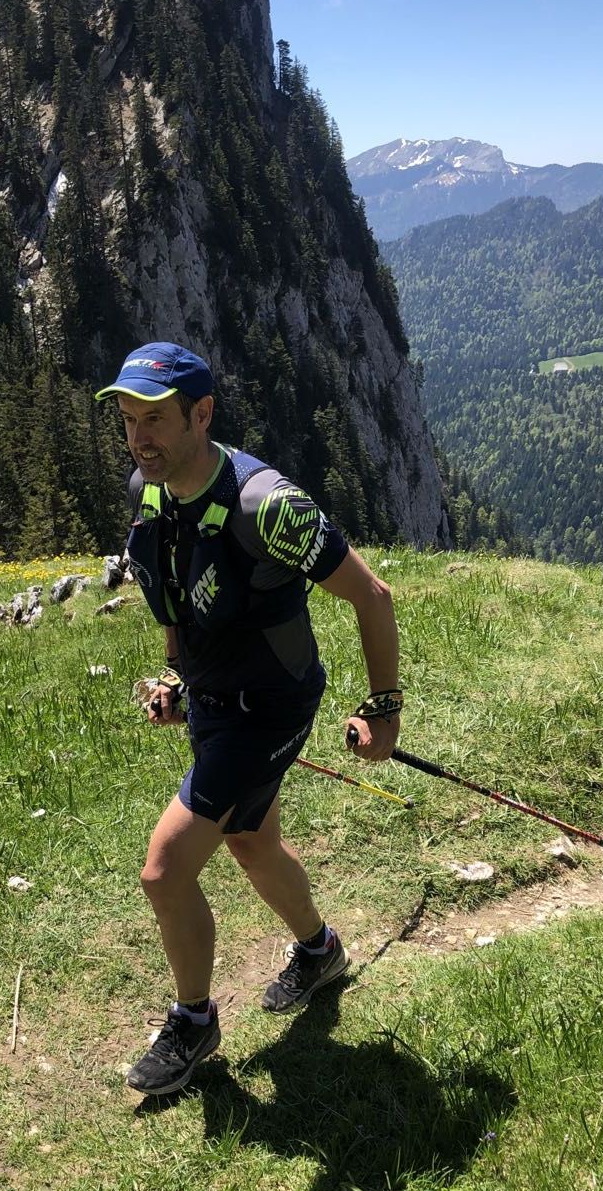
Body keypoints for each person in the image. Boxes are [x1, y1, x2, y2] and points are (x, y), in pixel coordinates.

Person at [96, 342, 401, 1096]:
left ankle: (194, 1023)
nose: (141, 438)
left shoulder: (270, 506)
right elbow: (175, 596)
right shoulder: (154, 491)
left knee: (164, 872)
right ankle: (320, 951)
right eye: (130, 421)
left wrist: (384, 711)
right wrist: (175, 674)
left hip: (268, 709)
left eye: (156, 420)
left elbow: (373, 595)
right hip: (214, 704)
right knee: (253, 843)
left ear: (202, 414)